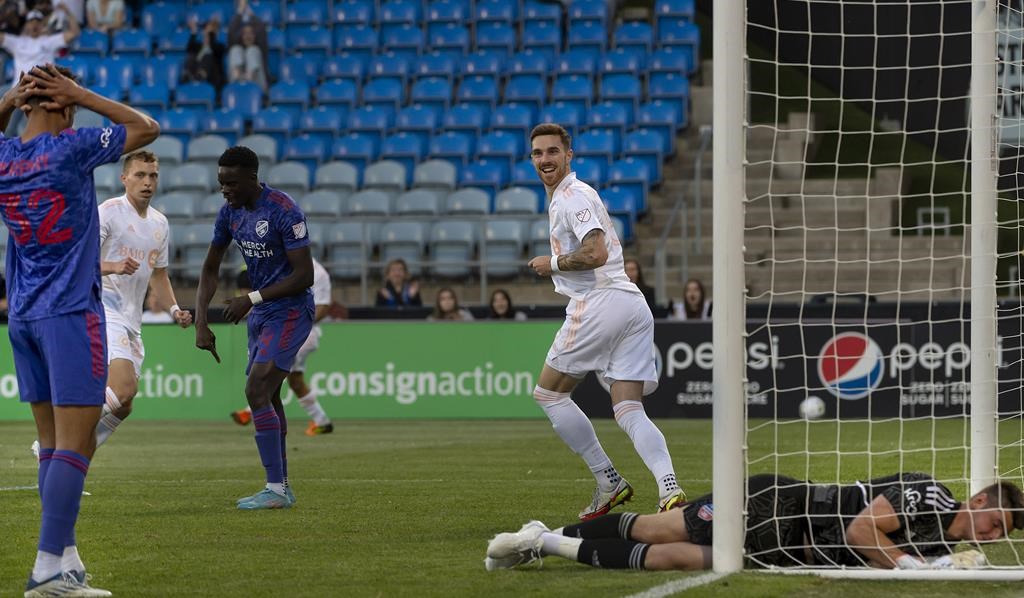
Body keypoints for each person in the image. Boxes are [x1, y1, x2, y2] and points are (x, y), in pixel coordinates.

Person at [2, 64, 158, 596]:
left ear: (25, 104)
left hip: (23, 316)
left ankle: (64, 561)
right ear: (64, 106)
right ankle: (47, 567)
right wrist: (83, 93)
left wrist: (11, 97)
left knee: (50, 446)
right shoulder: (72, 148)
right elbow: (146, 127)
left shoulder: (4, 158)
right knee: (74, 445)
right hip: (70, 313)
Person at [526, 123, 683, 520]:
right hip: (632, 302)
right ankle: (669, 488)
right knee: (629, 408)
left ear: (569, 155)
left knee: (549, 395)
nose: (545, 159)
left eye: (552, 152)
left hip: (599, 301)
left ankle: (608, 480)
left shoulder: (572, 197)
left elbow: (594, 253)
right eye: (538, 153)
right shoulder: (572, 196)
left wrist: (554, 263)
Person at [485, 472, 1024, 572]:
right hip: (776, 506)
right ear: (977, 501)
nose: (993, 536)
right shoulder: (931, 494)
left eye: (1002, 533)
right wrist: (908, 566)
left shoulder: (942, 551)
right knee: (655, 529)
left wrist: (937, 563)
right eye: (995, 522)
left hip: (784, 552)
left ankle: (544, 542)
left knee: (668, 559)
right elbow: (863, 531)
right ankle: (545, 536)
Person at [194, 146, 314, 510]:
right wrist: (201, 319)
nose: (224, 190)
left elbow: (303, 275)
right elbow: (210, 267)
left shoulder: (283, 210)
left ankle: (275, 488)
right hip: (262, 314)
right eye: (220, 183)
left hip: (290, 310)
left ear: (251, 178)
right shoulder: (229, 213)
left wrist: (252, 298)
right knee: (269, 394)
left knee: (256, 387)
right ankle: (281, 488)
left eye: (230, 183)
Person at [91, 150, 192, 448]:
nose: (147, 182)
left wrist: (174, 309)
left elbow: (159, 275)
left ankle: (71, 465)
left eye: (153, 175)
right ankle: (59, 439)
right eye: (140, 175)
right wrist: (112, 266)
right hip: (103, 308)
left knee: (124, 405)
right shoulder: (107, 211)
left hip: (132, 319)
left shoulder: (160, 223)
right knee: (123, 389)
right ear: (124, 179)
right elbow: (77, 261)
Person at [231, 257, 335, 436]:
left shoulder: (319, 273)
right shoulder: (281, 263)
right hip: (283, 329)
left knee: (270, 372)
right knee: (295, 380)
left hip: (303, 333)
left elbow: (323, 307)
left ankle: (250, 411)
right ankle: (322, 421)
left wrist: (297, 324)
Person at [0, 7, 79, 89]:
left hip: (43, 87)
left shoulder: (50, 40)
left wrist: (67, 12)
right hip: (19, 87)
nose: (34, 25)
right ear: (26, 25)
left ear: (42, 25)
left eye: (38, 22)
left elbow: (74, 32)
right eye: (31, 22)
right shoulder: (16, 41)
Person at [227, 0, 268, 91]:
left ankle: (249, 78)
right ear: (241, 36)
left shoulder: (260, 47)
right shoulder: (237, 45)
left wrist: (248, 11)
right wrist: (240, 10)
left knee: (252, 50)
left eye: (251, 33)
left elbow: (260, 28)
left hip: (257, 88)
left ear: (255, 35)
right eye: (245, 34)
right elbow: (231, 33)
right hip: (236, 88)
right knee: (235, 49)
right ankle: (237, 78)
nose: (248, 36)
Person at [183, 15, 226, 92]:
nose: (206, 35)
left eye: (210, 34)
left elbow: (215, 49)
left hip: (213, 78)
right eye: (205, 32)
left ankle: (200, 76)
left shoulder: (219, 47)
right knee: (191, 56)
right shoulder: (198, 47)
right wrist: (194, 32)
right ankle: (188, 76)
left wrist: (211, 34)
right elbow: (189, 49)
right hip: (195, 71)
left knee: (207, 56)